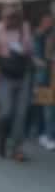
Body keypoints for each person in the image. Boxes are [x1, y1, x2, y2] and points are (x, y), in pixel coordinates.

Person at [0, 1, 34, 161]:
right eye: (8, 16)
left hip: (22, 74)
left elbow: (29, 50)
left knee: (21, 113)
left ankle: (17, 148)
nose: (11, 19)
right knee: (6, 112)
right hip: (5, 74)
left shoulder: (24, 27)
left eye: (14, 16)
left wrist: (24, 48)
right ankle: (1, 140)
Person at [32, 11, 55, 151]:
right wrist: (43, 62)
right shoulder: (38, 36)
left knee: (47, 107)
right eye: (47, 20)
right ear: (41, 21)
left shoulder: (48, 35)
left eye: (51, 20)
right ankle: (47, 135)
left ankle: (42, 134)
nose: (50, 23)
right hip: (43, 77)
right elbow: (36, 57)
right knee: (47, 107)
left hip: (48, 76)